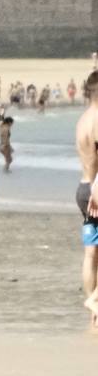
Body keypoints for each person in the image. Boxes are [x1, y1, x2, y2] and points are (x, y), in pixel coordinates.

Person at [75, 71, 98, 319]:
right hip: (95, 189)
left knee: (92, 252)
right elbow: (95, 160)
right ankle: (93, 299)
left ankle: (94, 310)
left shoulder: (83, 119)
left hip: (83, 189)